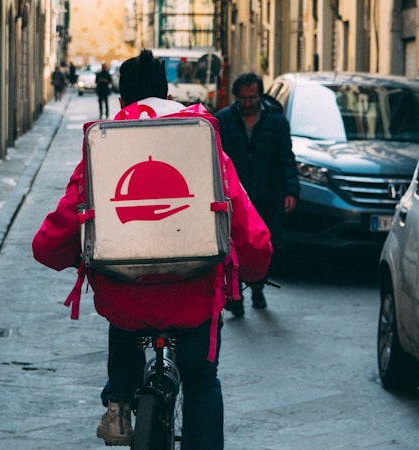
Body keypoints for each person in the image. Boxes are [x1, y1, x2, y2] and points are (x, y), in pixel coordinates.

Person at [32, 49, 272, 449]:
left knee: (123, 315)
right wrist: (255, 267)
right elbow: (244, 223)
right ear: (168, 93)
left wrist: (63, 254)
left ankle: (119, 402)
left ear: (123, 100)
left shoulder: (104, 146)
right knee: (201, 380)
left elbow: (55, 236)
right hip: (194, 297)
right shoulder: (202, 140)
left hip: (127, 302)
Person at [215, 72, 300, 317]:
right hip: (236, 198)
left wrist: (291, 190)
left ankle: (258, 287)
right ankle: (236, 297)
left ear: (260, 96)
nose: (248, 103)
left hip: (267, 194)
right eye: (243, 99)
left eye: (253, 98)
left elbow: (286, 159)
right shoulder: (224, 121)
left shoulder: (276, 122)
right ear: (236, 97)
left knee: (262, 247)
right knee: (236, 247)